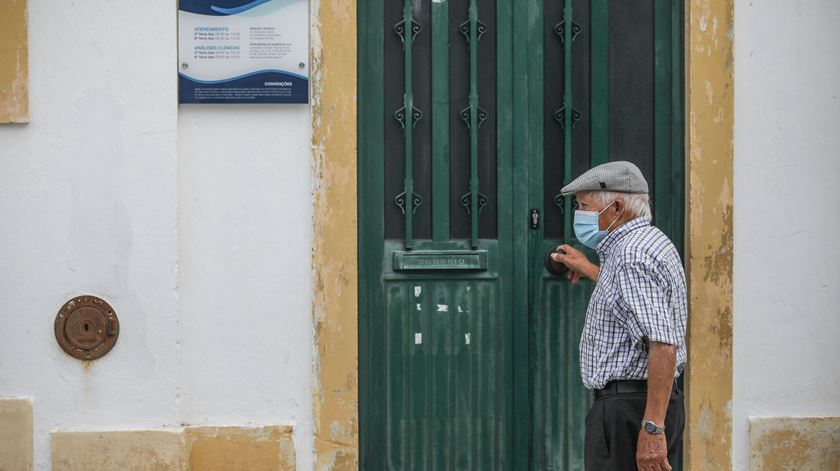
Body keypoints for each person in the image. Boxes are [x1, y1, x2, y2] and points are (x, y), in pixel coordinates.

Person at [550, 161, 687, 471]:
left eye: (585, 205)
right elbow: (633, 301)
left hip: (630, 409)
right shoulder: (647, 243)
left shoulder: (630, 256)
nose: (580, 214)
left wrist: (652, 428)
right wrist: (588, 269)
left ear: (616, 207)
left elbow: (664, 343)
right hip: (642, 403)